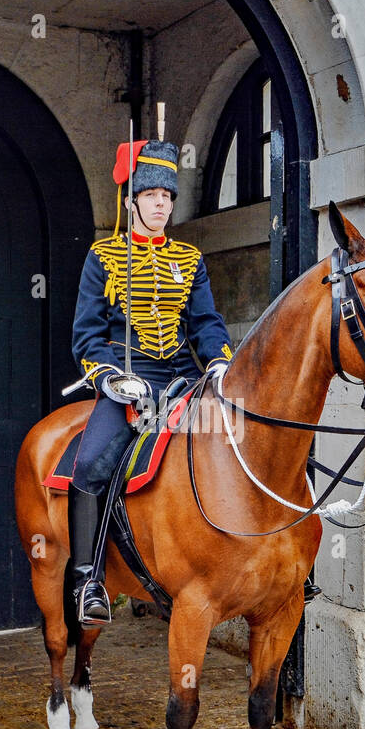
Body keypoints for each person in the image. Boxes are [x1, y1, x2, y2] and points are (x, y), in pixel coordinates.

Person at [67, 138, 234, 626]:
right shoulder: (104, 256)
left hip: (183, 379)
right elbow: (87, 335)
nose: (162, 204)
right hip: (129, 382)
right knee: (93, 464)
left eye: (168, 197)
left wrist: (219, 361)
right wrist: (112, 380)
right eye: (153, 196)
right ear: (132, 200)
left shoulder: (189, 259)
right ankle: (87, 581)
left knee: (243, 443)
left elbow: (205, 322)